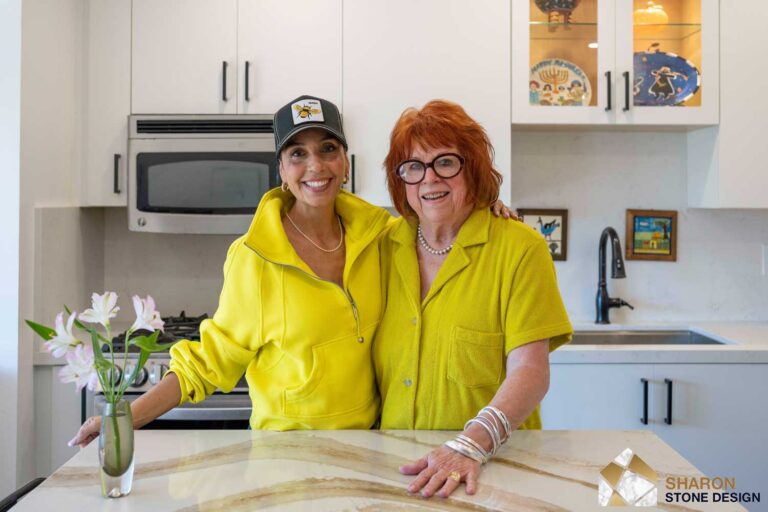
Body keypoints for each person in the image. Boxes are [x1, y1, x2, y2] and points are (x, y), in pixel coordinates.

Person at [69, 95, 513, 446]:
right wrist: (125, 418)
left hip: (373, 450)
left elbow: (438, 206)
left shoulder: (382, 236)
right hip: (284, 454)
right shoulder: (254, 258)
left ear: (345, 163)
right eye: (297, 153)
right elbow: (206, 363)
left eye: (328, 149)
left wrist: (483, 206)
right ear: (281, 169)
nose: (315, 165)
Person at [373, 100, 573, 498]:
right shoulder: (380, 247)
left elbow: (530, 371)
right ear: (401, 181)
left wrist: (471, 444)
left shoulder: (519, 248)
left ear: (473, 168)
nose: (429, 179)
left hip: (489, 471)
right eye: (413, 167)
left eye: (446, 162)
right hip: (398, 471)